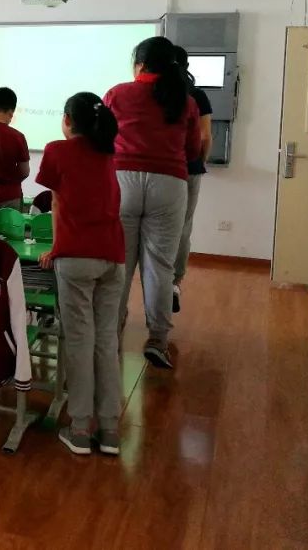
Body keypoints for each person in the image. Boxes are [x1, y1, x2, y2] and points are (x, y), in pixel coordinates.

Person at [36, 92, 125, 457]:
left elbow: (57, 204)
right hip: (113, 257)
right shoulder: (108, 152)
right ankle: (110, 431)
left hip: (76, 257)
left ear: (68, 120)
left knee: (79, 341)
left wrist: (56, 249)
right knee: (106, 341)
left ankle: (79, 429)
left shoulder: (57, 151)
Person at [104, 36, 200, 371]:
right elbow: (193, 151)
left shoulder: (117, 94)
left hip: (122, 180)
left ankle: (112, 332)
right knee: (159, 265)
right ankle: (158, 339)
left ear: (140, 64)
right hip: (170, 184)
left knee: (119, 262)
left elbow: (101, 139)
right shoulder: (185, 101)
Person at [172, 46, 213, 314]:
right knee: (183, 225)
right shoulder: (197, 95)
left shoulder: (155, 95)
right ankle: (174, 283)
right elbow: (205, 136)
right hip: (189, 169)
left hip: (159, 168)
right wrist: (200, 161)